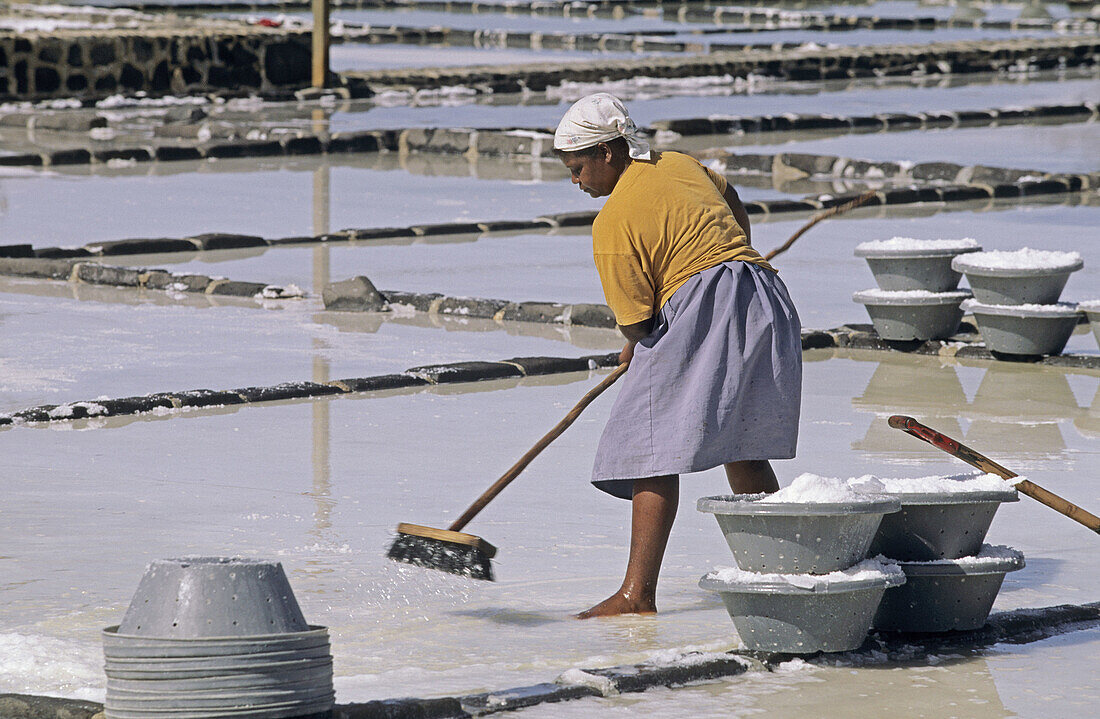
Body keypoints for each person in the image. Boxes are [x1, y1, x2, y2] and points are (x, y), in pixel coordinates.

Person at [554, 93, 803, 619]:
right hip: (761, 293)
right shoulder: (680, 164)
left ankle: (636, 595)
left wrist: (640, 339)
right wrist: (731, 258)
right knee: (743, 442)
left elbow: (638, 322)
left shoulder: (612, 223)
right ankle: (778, 571)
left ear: (608, 152)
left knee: (649, 444)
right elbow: (731, 204)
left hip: (703, 306)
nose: (577, 182)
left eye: (578, 169)